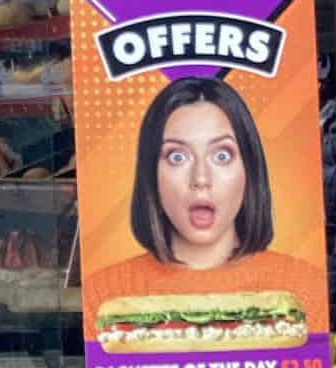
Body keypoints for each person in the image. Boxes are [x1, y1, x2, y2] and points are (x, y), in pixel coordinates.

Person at [84, 76, 319, 319]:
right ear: (151, 176)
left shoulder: (303, 289)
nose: (201, 179)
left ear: (249, 169)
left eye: (222, 156)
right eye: (177, 157)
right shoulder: (105, 294)